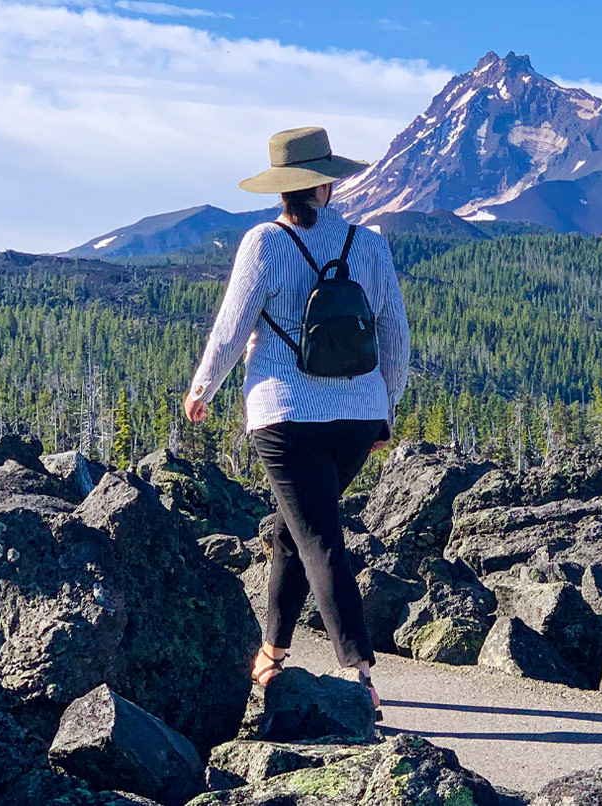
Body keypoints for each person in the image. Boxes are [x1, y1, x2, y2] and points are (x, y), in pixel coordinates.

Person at [183, 126, 409, 710]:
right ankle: (273, 652)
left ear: (282, 188)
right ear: (326, 184)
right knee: (295, 532)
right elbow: (394, 336)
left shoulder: (263, 243)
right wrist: (386, 405)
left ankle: (360, 671)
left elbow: (233, 327)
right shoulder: (370, 244)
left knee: (318, 537)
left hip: (285, 415)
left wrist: (204, 385)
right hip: (358, 416)